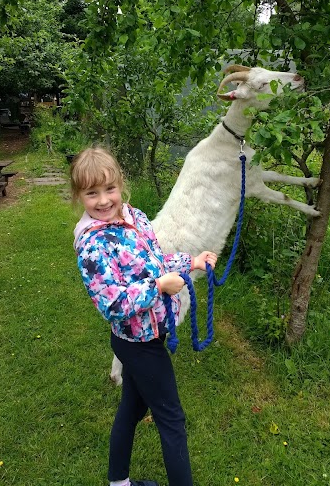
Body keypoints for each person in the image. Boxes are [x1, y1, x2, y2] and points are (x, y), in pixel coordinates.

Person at [71, 147, 217, 486]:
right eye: (92, 193)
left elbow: (155, 261)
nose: (103, 200)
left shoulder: (135, 217)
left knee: (133, 409)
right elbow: (112, 303)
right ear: (79, 196)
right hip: (138, 344)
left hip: (149, 335)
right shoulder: (93, 244)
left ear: (121, 185)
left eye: (109, 189)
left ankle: (118, 483)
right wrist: (158, 287)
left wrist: (190, 262)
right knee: (172, 420)